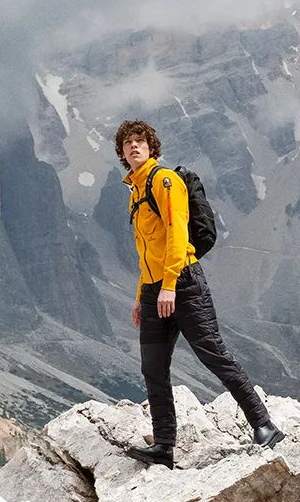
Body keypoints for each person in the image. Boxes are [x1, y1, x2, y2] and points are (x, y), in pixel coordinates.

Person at [115, 118, 284, 468]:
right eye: (127, 144)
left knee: (214, 355)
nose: (134, 147)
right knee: (153, 368)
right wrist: (140, 296)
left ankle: (264, 425)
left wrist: (169, 285)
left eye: (140, 142)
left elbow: (178, 234)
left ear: (151, 148)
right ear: (122, 153)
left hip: (183, 285)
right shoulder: (135, 190)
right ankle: (164, 445)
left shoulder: (164, 181)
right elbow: (148, 250)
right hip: (153, 290)